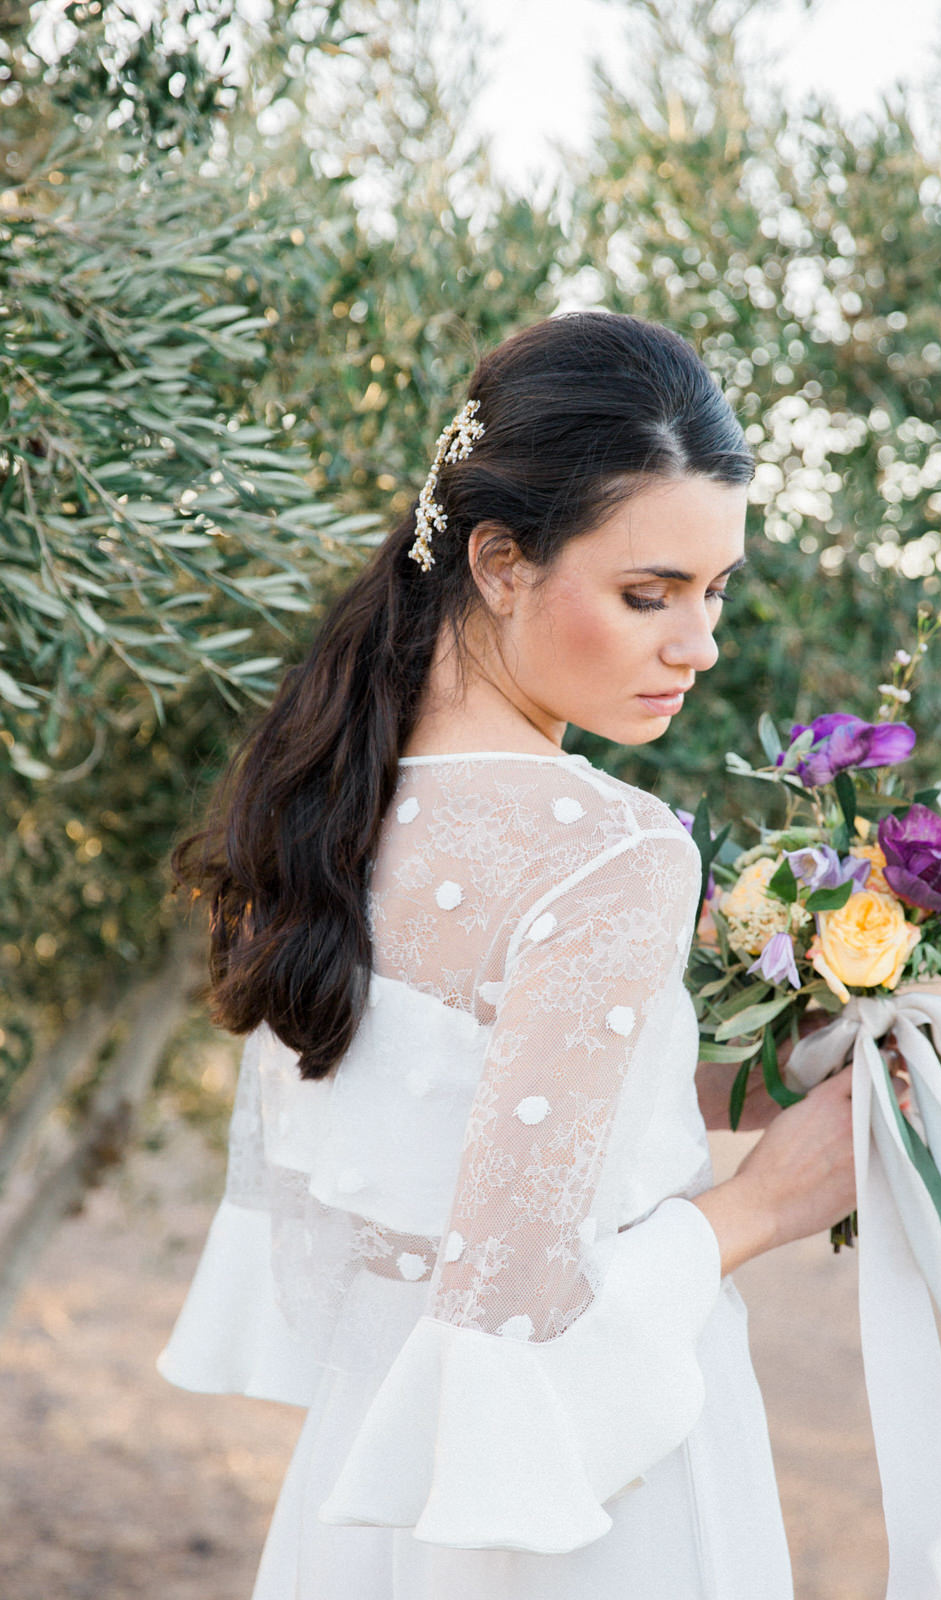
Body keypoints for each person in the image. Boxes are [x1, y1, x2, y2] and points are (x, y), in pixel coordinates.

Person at [157, 310, 873, 1600]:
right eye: (648, 594)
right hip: (569, 1508)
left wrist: (761, 1080)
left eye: (714, 593)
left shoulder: (328, 799)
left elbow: (467, 1114)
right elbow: (517, 1316)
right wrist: (766, 1203)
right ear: (496, 560)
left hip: (368, 1490)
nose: (698, 645)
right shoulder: (607, 851)